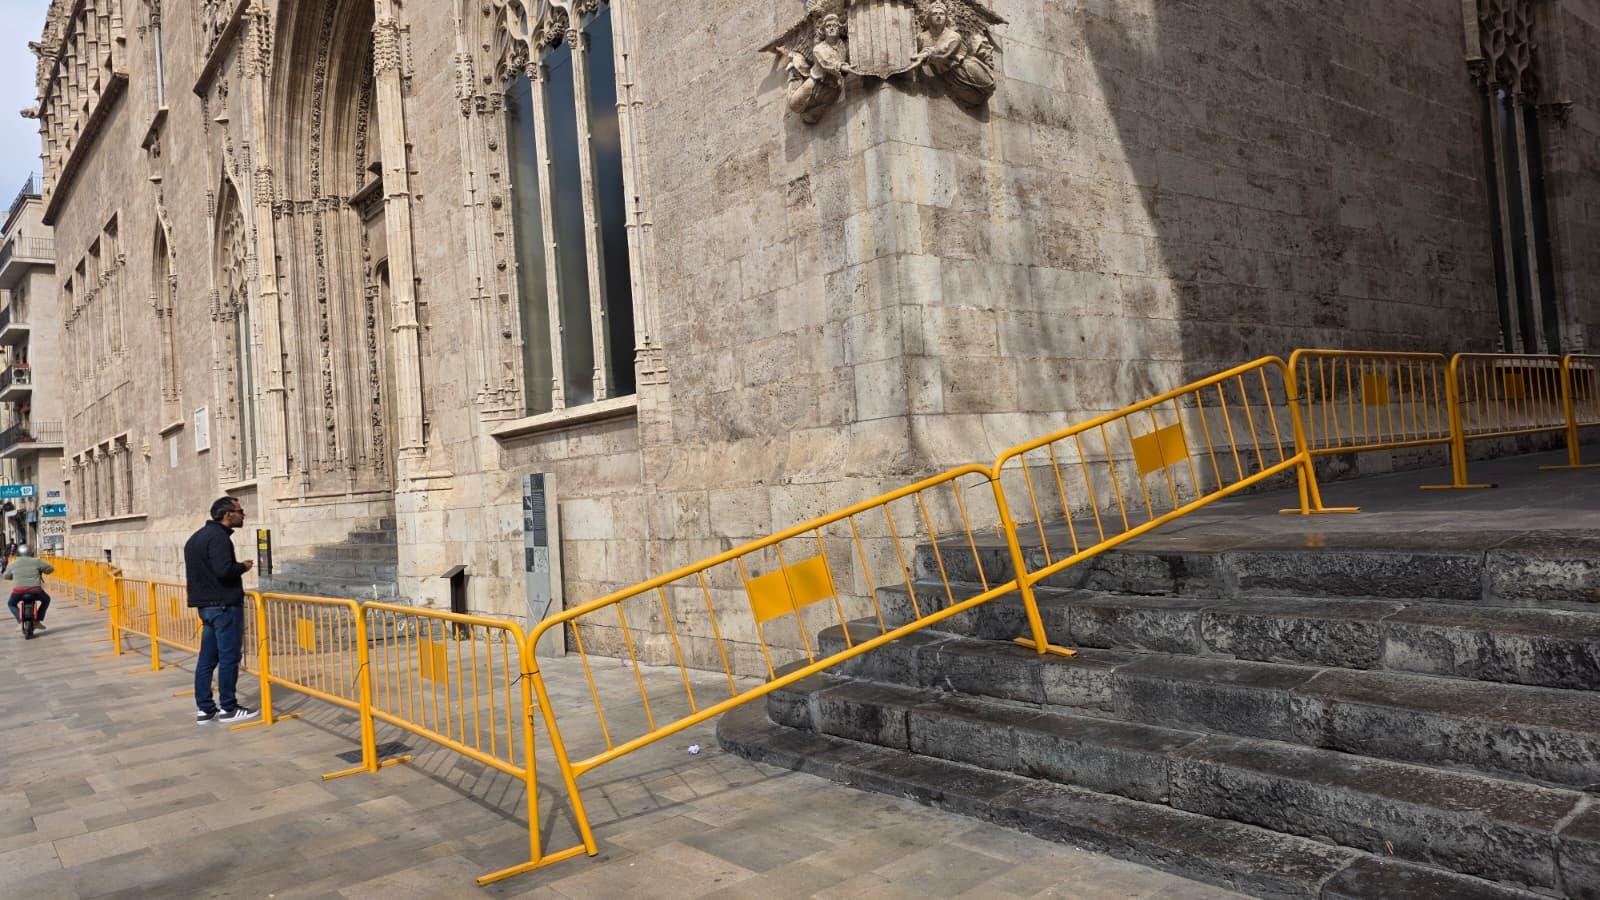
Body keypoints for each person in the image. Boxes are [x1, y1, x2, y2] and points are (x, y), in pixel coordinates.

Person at [184, 497, 258, 725]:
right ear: (227, 515)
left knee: (207, 659)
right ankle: (229, 707)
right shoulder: (218, 538)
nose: (243, 515)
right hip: (223, 607)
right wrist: (243, 567)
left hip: (206, 606)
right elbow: (223, 571)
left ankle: (205, 709)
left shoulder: (196, 538)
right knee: (228, 658)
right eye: (240, 511)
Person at [5, 544, 52, 632]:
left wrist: (13, 576)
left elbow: (6, 576)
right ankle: (38, 621)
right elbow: (50, 569)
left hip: (18, 592)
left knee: (11, 604)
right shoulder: (37, 561)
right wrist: (44, 571)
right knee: (46, 600)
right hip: (35, 590)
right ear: (31, 553)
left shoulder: (13, 564)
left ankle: (20, 622)